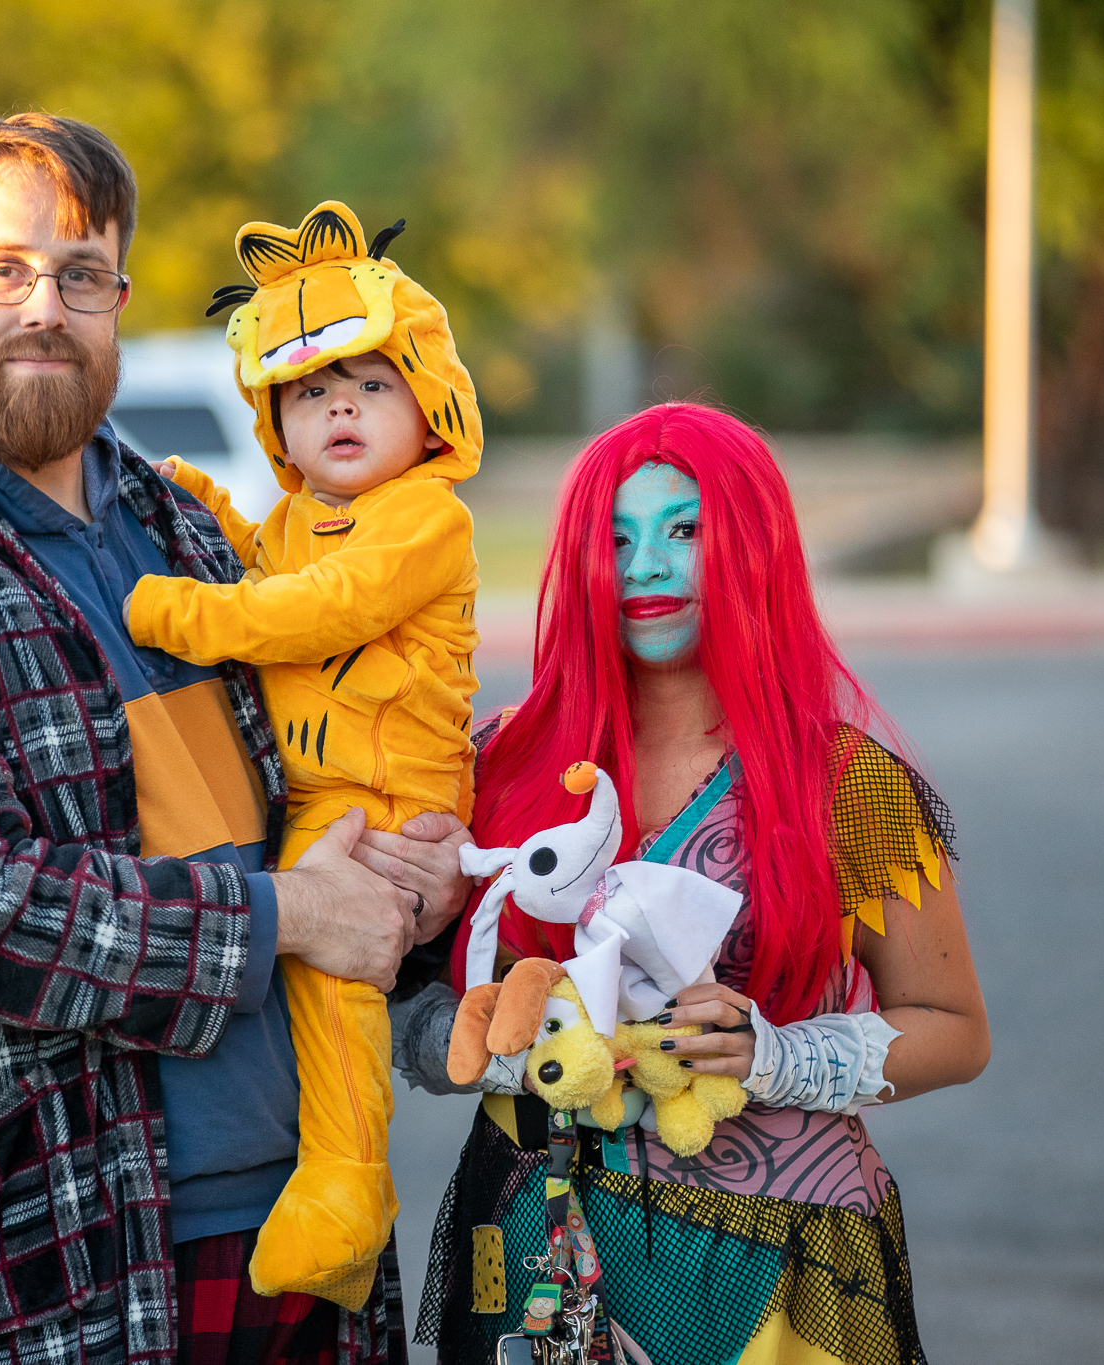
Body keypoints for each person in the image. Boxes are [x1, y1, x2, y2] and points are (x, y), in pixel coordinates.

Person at [0, 113, 433, 1365]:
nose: (42, 308)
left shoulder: (186, 531)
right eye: (0, 269)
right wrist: (289, 915)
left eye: (80, 274)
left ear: (118, 295)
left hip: (304, 1225)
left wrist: (411, 881)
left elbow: (312, 791)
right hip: (50, 1264)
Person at [395, 404, 991, 1363]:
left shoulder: (850, 785)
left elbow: (957, 1031)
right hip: (531, 1240)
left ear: (753, 549)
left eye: (685, 531)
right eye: (616, 536)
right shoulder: (493, 761)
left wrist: (772, 1054)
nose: (646, 565)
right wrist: (504, 1049)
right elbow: (400, 995)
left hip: (771, 1264)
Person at [125, 200, 482, 1309]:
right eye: (309, 390)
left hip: (385, 798)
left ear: (428, 408)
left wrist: (176, 610)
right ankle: (316, 1169)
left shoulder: (426, 519)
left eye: (370, 385)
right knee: (293, 976)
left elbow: (314, 614)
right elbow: (269, 572)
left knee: (339, 991)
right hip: (313, 793)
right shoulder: (301, 516)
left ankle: (348, 1187)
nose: (338, 406)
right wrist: (211, 514)